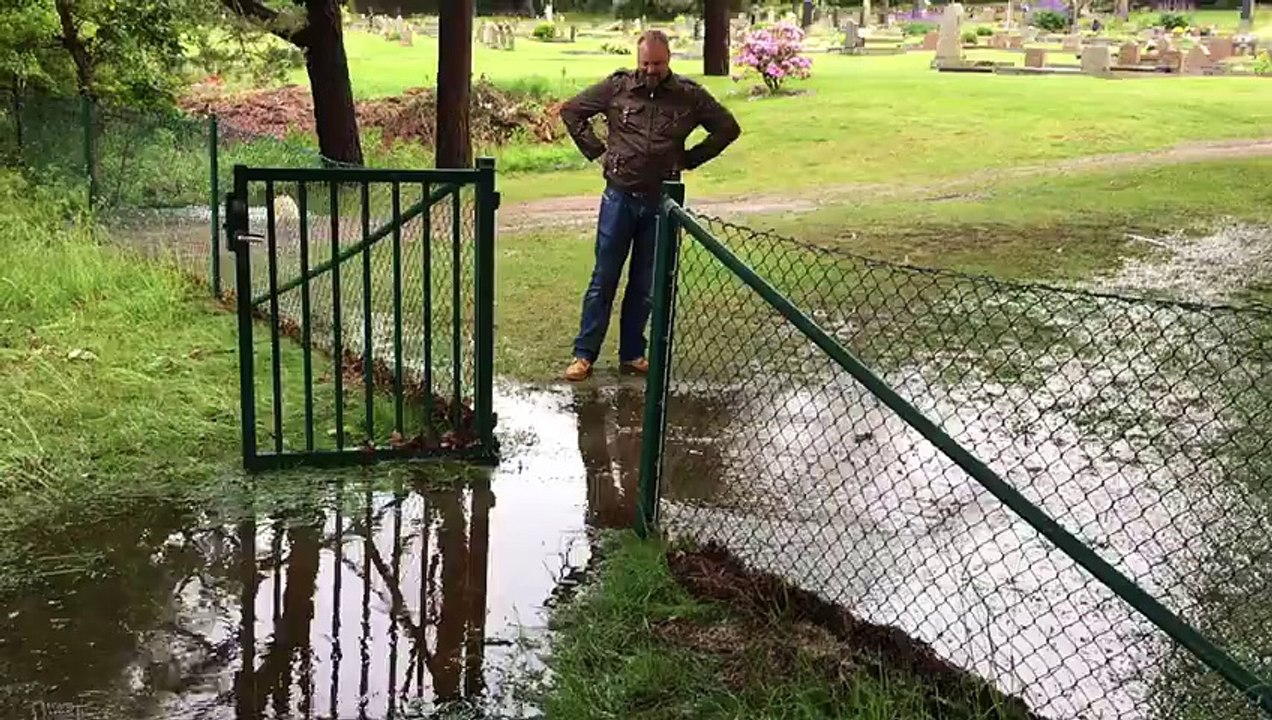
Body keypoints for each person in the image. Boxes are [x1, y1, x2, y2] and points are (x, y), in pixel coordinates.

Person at [557, 29, 742, 382]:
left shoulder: (689, 96)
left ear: (668, 59)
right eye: (645, 63)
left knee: (644, 283)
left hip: (661, 203)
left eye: (657, 64)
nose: (651, 70)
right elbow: (572, 112)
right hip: (619, 197)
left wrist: (690, 159)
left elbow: (727, 128)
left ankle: (632, 354)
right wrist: (597, 153)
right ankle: (584, 354)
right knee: (604, 278)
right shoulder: (618, 87)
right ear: (637, 60)